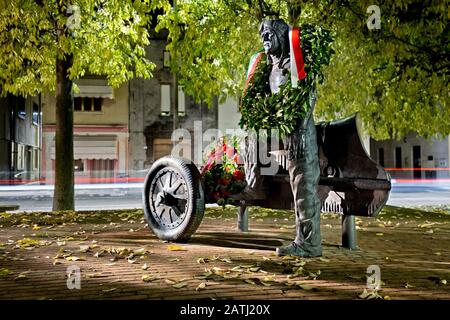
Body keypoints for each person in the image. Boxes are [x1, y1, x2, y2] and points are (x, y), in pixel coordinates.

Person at [242, 19, 322, 257]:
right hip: (281, 132)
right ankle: (254, 186)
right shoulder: (271, 68)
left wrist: (300, 131)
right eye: (262, 35)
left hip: (300, 132)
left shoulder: (293, 63)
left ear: (281, 36)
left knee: (303, 186)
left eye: (269, 34)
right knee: (250, 136)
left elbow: (309, 95)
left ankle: (308, 243)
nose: (265, 38)